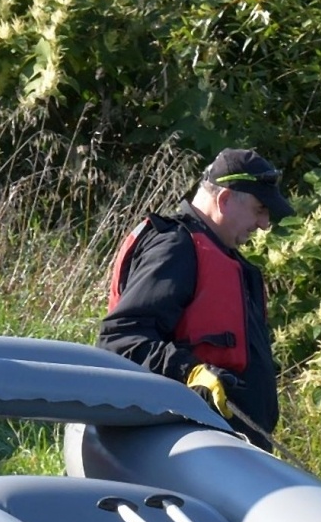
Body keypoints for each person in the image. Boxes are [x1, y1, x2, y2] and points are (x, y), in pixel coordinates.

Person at [99, 148, 294, 450]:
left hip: (235, 446)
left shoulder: (225, 257)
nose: (265, 224)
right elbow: (121, 339)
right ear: (225, 199)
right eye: (259, 209)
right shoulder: (176, 248)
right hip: (189, 448)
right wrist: (189, 371)